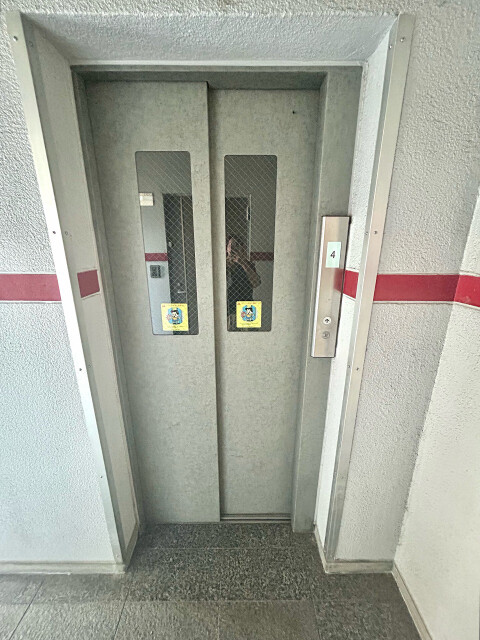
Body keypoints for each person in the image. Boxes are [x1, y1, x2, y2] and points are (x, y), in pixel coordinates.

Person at [226, 236, 261, 330]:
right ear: (227, 248)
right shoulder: (223, 265)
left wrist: (242, 263)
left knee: (250, 337)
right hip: (229, 307)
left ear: (242, 248)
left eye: (236, 245)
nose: (232, 248)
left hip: (247, 306)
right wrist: (228, 264)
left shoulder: (248, 264)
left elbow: (256, 283)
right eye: (230, 245)